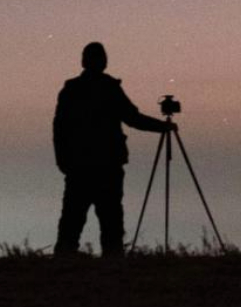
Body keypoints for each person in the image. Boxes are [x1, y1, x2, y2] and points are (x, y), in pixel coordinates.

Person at [52, 42, 173, 256]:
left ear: (83, 61)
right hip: (106, 165)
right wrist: (162, 127)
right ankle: (112, 263)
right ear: (103, 62)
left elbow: (59, 129)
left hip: (79, 166)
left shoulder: (71, 90)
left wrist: (63, 160)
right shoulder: (108, 88)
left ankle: (64, 264)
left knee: (72, 220)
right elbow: (133, 118)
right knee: (110, 220)